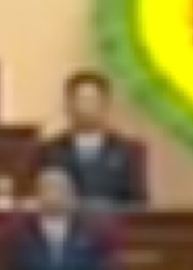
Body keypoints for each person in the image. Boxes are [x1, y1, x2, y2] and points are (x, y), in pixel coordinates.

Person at [35, 72, 148, 207]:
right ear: (68, 105)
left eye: (92, 100)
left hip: (115, 224)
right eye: (81, 99)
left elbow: (139, 202)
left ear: (105, 104)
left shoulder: (129, 150)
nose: (86, 107)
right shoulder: (49, 150)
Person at [1, 168, 119, 270]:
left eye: (61, 190)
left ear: (73, 196)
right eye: (47, 190)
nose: (54, 196)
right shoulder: (19, 231)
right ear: (36, 196)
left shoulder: (94, 229)